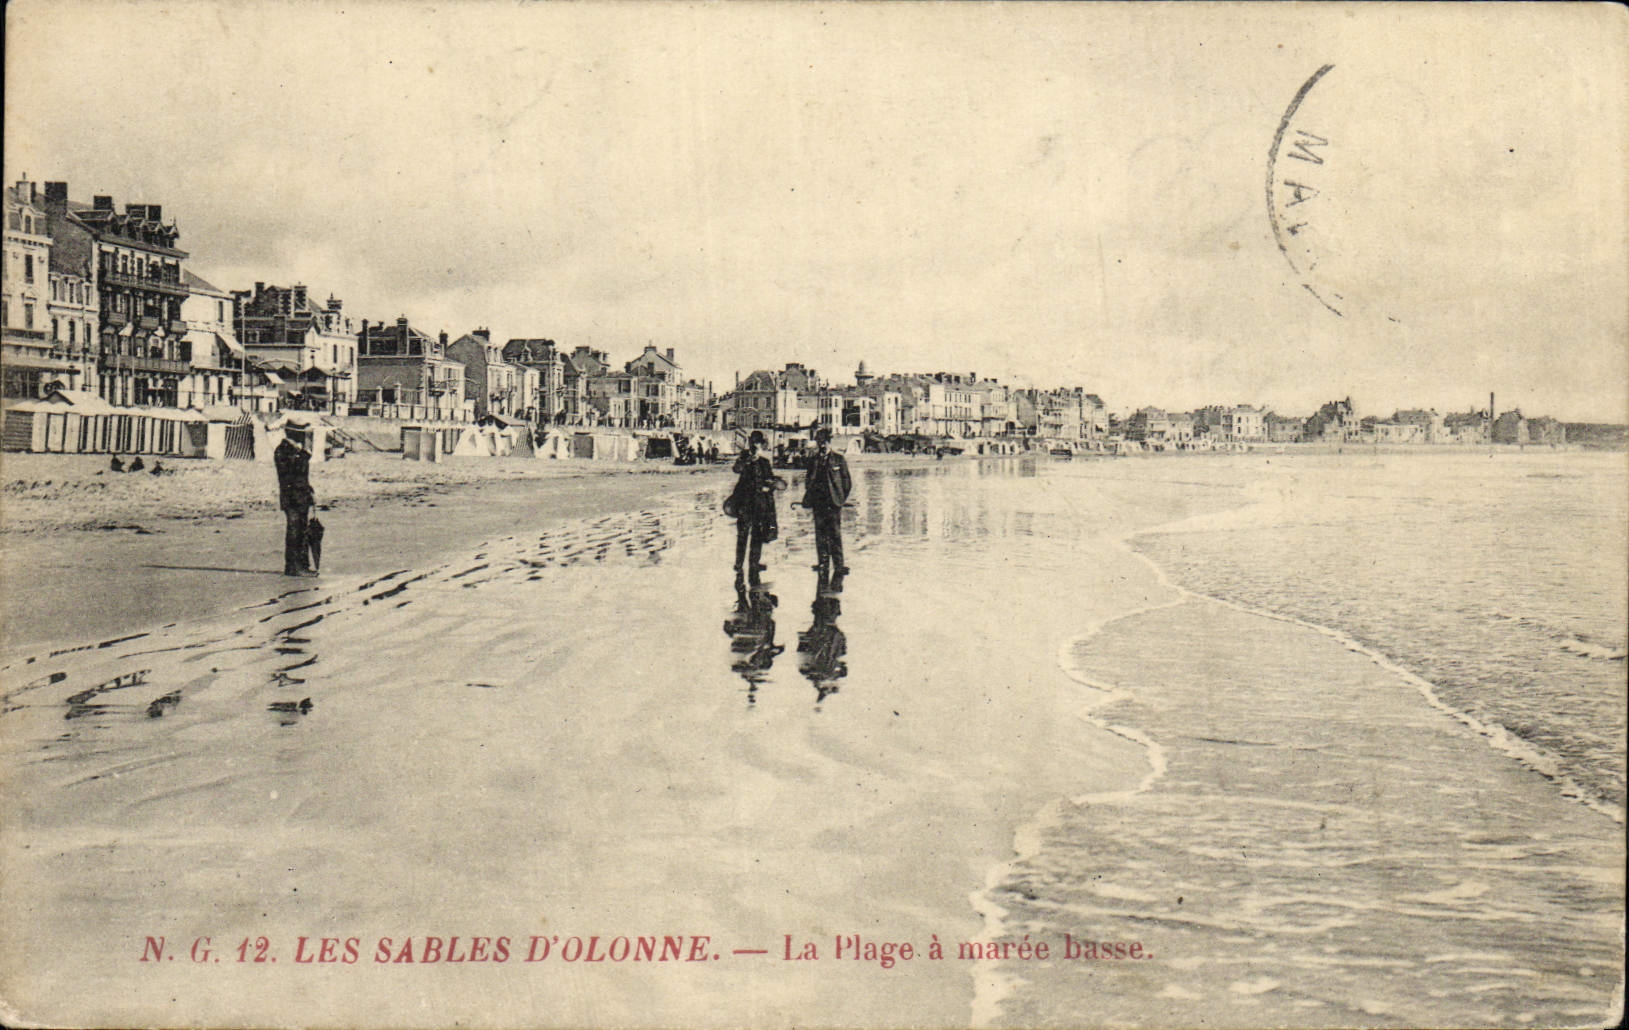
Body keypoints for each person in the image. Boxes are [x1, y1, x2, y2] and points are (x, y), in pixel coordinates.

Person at [729, 430, 779, 578]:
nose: (755, 445)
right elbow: (736, 469)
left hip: (759, 504)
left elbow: (770, 480)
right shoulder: (744, 458)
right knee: (742, 535)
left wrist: (770, 486)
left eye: (757, 442)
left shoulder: (765, 463)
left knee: (757, 535)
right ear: (750, 443)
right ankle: (738, 564)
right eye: (753, 442)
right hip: (745, 503)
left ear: (761, 444)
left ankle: (754, 563)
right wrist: (747, 460)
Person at [802, 427, 852, 575]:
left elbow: (847, 482)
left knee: (835, 534)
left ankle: (839, 565)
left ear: (829, 442)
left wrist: (840, 498)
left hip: (834, 503)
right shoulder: (814, 460)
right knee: (820, 534)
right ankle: (823, 563)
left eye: (824, 442)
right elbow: (808, 480)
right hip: (819, 502)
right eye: (819, 442)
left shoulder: (839, 459)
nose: (822, 445)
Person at [274, 426, 317, 577]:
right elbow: (294, 474)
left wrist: (309, 491)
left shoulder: (292, 451)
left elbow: (301, 477)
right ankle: (294, 566)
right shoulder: (284, 451)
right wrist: (305, 455)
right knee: (295, 532)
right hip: (293, 498)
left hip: (299, 497)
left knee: (301, 530)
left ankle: (301, 565)